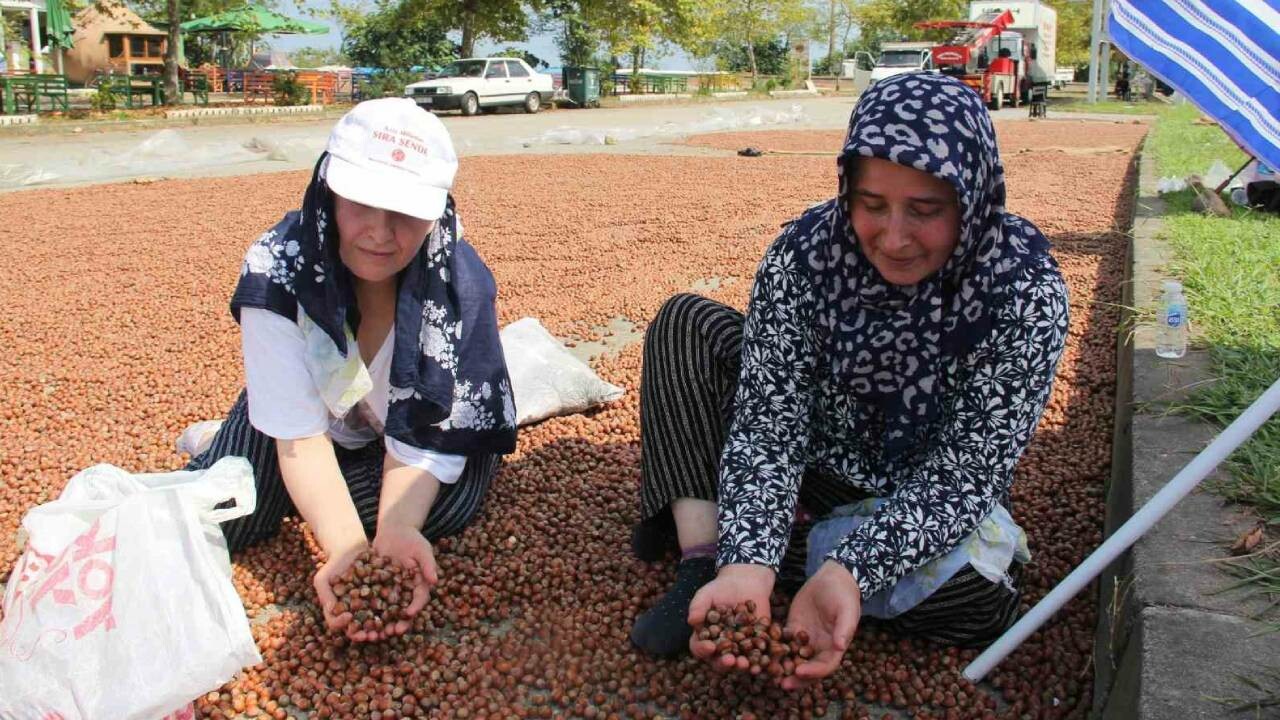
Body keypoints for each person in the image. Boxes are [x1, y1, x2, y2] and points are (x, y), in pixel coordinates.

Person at [628, 72, 1070, 688]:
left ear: (970, 199)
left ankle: (805, 560)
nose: (893, 238)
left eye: (925, 210)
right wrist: (748, 560)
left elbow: (968, 471)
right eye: (872, 205)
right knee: (687, 324)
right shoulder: (806, 254)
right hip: (815, 459)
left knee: (977, 598)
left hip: (912, 492)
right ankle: (712, 564)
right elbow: (769, 422)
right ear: (847, 191)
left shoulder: (1021, 289)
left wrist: (854, 568)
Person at [186, 98, 518, 641]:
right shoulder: (278, 271)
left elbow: (428, 439)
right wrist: (344, 546)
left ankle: (284, 473)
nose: (380, 233)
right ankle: (235, 444)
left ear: (438, 211)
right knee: (225, 517)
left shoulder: (460, 285)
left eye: (406, 211)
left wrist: (399, 525)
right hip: (316, 422)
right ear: (328, 190)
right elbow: (301, 439)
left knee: (442, 514)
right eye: (361, 203)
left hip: (427, 423)